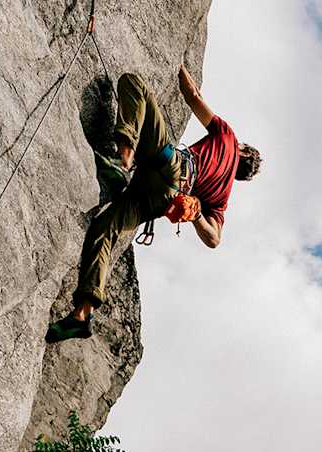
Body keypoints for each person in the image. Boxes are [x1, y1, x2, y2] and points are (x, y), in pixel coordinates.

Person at [46, 65, 262, 343]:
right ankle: (81, 314)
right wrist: (196, 214)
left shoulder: (229, 139)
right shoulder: (222, 196)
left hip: (170, 167)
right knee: (104, 230)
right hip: (159, 200)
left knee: (134, 84)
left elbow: (192, 95)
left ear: (244, 150)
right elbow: (214, 239)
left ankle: (123, 160)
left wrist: (179, 65)